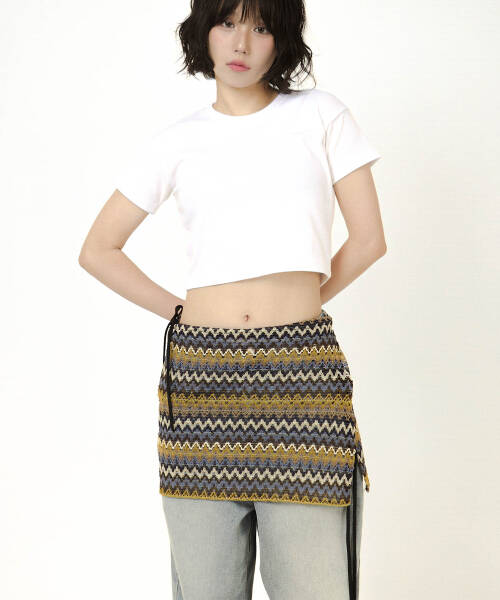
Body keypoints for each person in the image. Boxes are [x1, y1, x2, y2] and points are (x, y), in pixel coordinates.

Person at [78, 1, 386, 598]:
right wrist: (182, 313)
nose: (242, 42)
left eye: (261, 27)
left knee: (315, 586)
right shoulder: (178, 141)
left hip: (301, 380)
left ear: (281, 41)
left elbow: (370, 239)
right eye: (227, 23)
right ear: (205, 33)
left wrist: (301, 305)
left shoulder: (321, 115)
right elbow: (98, 249)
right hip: (200, 383)